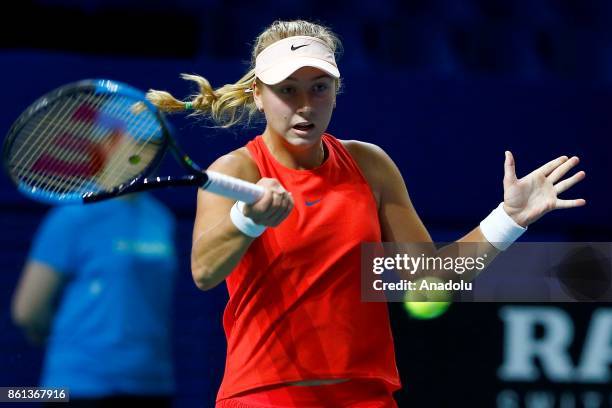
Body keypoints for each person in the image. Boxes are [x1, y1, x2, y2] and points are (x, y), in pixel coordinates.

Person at [146, 19, 586, 407]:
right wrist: (249, 220)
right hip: (266, 396)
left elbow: (430, 279)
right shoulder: (236, 169)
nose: (304, 104)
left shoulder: (369, 164)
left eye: (319, 87)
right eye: (287, 90)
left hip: (365, 397)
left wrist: (509, 218)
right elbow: (204, 272)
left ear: (336, 91)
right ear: (259, 96)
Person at [11, 193, 178, 408]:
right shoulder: (71, 217)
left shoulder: (161, 218)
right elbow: (27, 310)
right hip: (76, 388)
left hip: (152, 384)